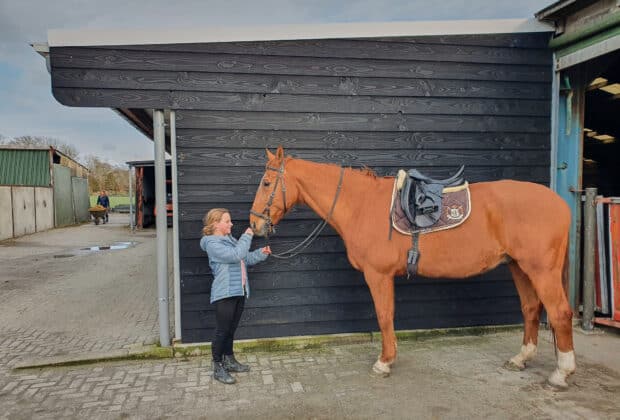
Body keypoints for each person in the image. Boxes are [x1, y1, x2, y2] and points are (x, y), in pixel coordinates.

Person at [200, 208, 271, 384]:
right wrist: (247, 236)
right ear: (216, 224)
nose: (231, 224)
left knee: (231, 330)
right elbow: (235, 255)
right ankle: (217, 366)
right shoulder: (211, 243)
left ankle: (229, 360)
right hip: (224, 293)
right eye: (227, 221)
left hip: (239, 290)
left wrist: (261, 254)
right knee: (222, 331)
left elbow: (243, 259)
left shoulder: (229, 240)